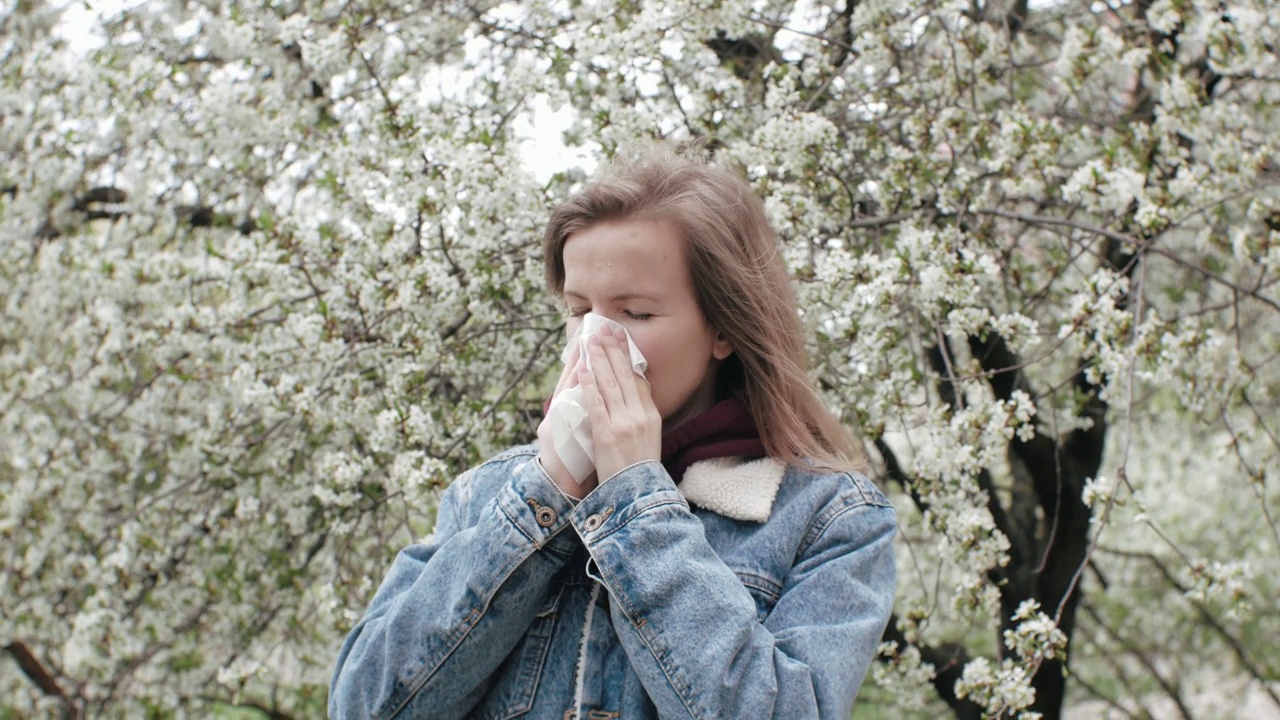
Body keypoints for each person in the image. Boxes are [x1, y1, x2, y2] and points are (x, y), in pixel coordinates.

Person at [329, 146, 897, 719]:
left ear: (724, 327)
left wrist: (635, 499)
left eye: (635, 314)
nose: (595, 340)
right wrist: (543, 497)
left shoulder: (829, 518)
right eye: (580, 310)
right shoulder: (490, 494)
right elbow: (363, 707)